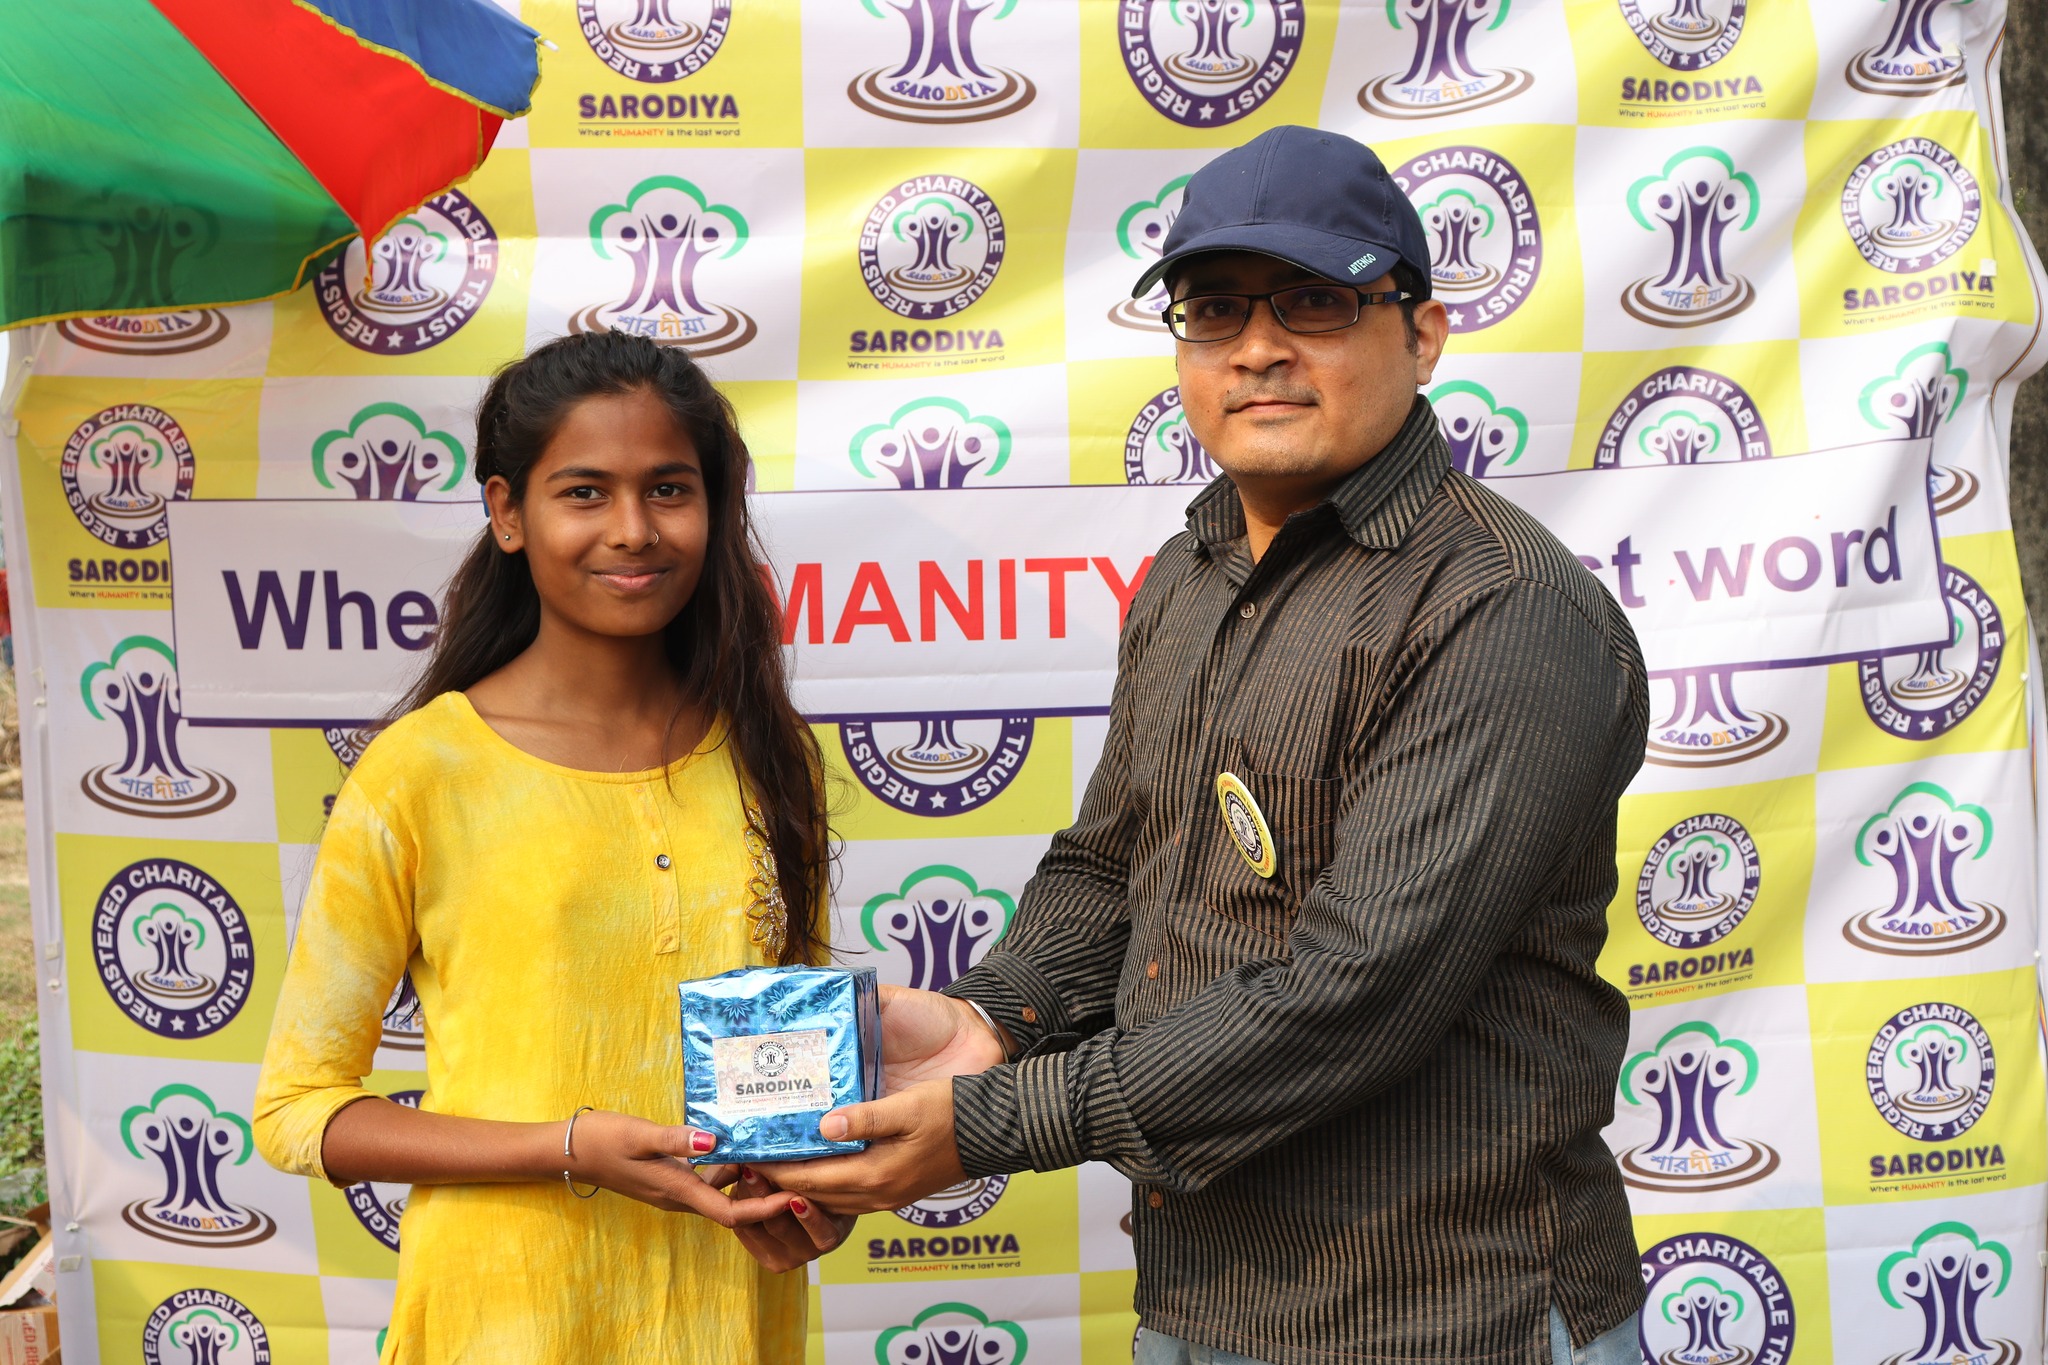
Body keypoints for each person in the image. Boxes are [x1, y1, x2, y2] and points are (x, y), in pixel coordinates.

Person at [757, 126, 1652, 1365]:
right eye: (1215, 308)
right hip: (1199, 1305)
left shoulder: (1500, 608)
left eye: (1315, 301)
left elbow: (1353, 994)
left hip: (1447, 1314)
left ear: (1423, 333)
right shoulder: (1190, 573)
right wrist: (991, 1021)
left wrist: (992, 1119)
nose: (1257, 348)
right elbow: (1110, 867)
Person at [253, 331, 851, 1364]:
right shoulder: (422, 771)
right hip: (504, 1320)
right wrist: (569, 1146)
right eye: (584, 492)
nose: (633, 529)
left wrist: (811, 1194)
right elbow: (298, 1111)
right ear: (507, 513)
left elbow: (788, 1074)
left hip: (726, 1318)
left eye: (669, 489)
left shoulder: (766, 753)